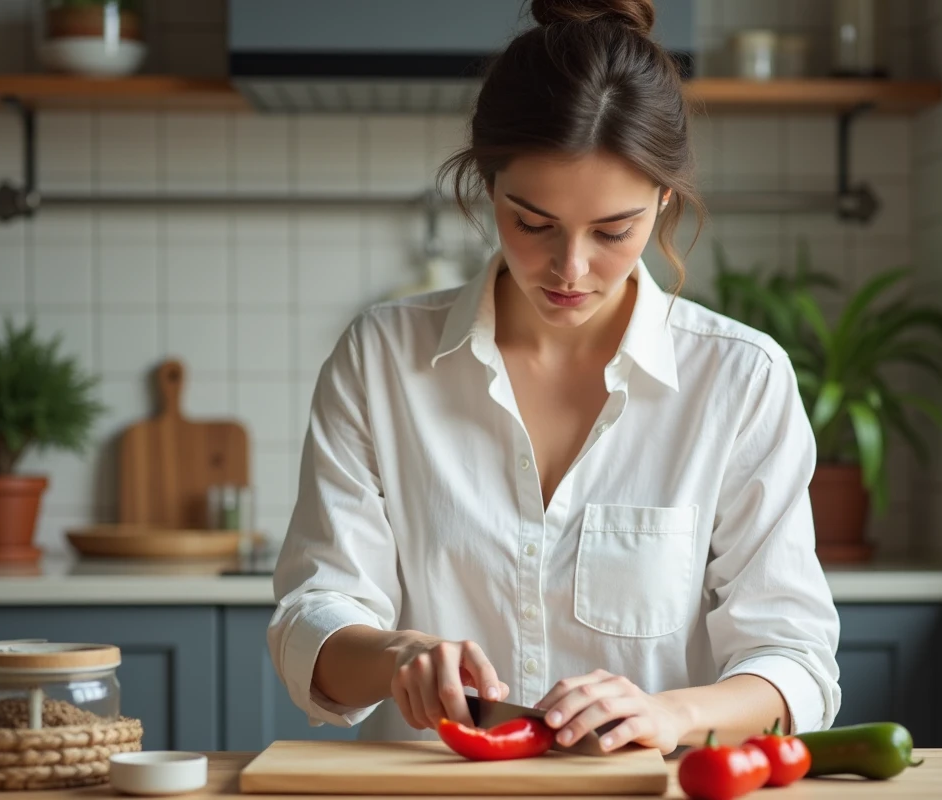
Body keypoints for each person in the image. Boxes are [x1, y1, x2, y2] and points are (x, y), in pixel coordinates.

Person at [269, 0, 841, 755]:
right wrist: (394, 657)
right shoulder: (379, 360)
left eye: (614, 231)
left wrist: (670, 715)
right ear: (487, 186)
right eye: (532, 223)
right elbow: (314, 619)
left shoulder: (740, 380)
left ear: (664, 199)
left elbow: (795, 663)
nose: (571, 269)